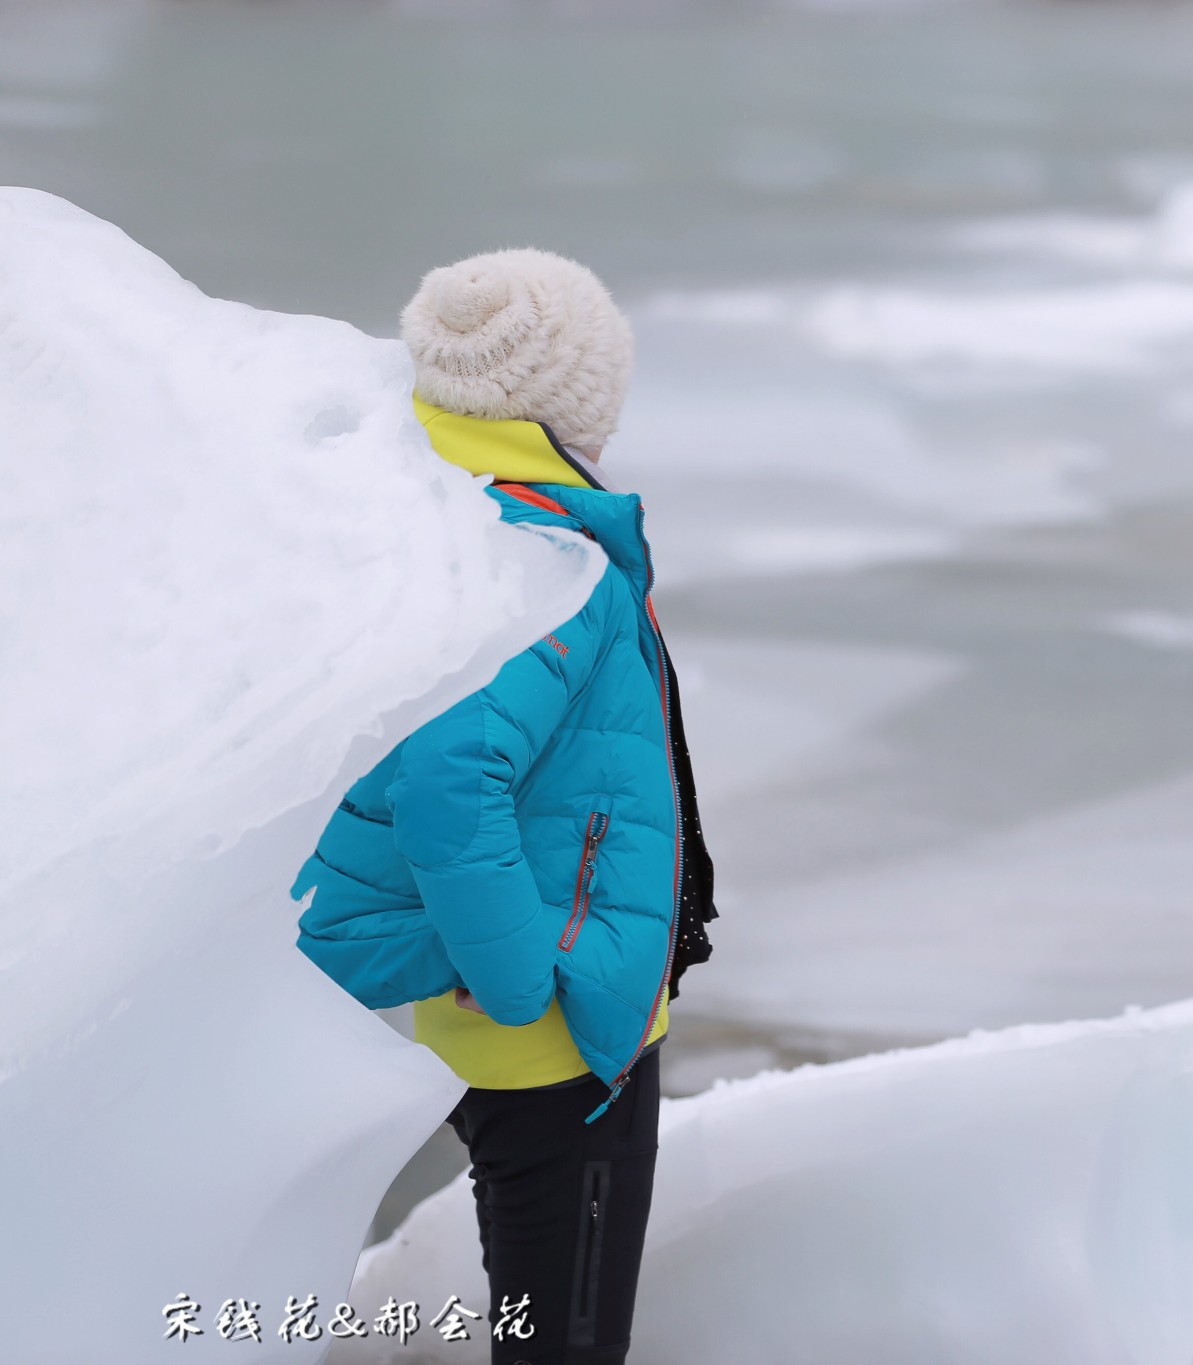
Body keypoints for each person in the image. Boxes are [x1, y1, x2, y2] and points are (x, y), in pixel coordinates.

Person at [293, 248, 716, 1365]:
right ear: (575, 392)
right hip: (551, 1034)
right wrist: (525, 975)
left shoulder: (450, 514)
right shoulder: (535, 555)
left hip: (519, 1010)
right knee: (566, 1343)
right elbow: (445, 777)